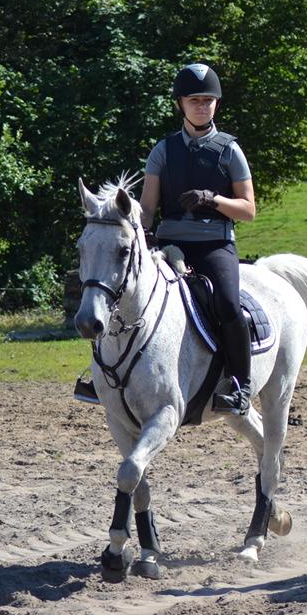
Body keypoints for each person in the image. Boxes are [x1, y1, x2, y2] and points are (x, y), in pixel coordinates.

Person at [75, 63, 258, 414]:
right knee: (121, 297)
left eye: (208, 100)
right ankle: (104, 379)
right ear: (181, 104)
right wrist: (125, 227)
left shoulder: (229, 151)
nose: (202, 106)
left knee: (228, 305)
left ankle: (239, 385)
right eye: (195, 100)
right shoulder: (163, 151)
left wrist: (212, 199)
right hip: (170, 246)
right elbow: (146, 209)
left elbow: (249, 210)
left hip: (214, 246)